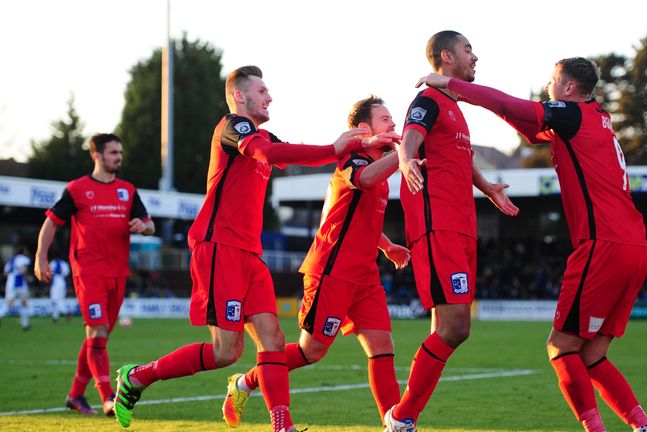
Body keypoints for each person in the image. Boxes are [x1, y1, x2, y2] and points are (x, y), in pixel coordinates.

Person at [112, 66, 399, 432]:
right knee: (225, 353)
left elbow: (287, 153)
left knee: (274, 340)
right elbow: (266, 152)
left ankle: (283, 425)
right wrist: (341, 147)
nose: (269, 97)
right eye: (262, 91)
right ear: (241, 96)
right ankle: (136, 377)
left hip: (250, 253)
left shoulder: (264, 136)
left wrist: (353, 144)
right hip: (218, 247)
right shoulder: (233, 127)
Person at [417, 57, 647, 432]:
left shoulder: (569, 114)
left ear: (567, 89)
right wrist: (493, 106)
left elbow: (510, 105)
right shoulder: (593, 118)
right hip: (634, 246)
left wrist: (453, 87)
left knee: (560, 348)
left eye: (551, 82)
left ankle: (595, 430)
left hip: (602, 245)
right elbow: (530, 129)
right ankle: (644, 427)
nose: (547, 88)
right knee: (592, 355)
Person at [221, 95, 410, 429]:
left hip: (364, 275)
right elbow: (363, 180)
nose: (393, 124)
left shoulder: (380, 166)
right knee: (312, 352)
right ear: (364, 128)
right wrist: (403, 153)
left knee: (382, 344)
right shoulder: (352, 159)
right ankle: (245, 382)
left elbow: (350, 216)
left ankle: (394, 423)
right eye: (386, 119)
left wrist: (386, 245)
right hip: (331, 272)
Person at [384, 30, 519, 432]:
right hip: (436, 224)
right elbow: (411, 138)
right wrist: (406, 159)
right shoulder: (428, 99)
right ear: (446, 57)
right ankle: (401, 415)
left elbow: (459, 156)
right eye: (467, 50)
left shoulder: (456, 107)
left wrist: (488, 186)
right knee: (457, 328)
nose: (474, 56)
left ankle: (404, 417)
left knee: (448, 328)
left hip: (462, 227)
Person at [34, 133, 156, 416]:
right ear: (97, 155)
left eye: (120, 152)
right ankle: (109, 398)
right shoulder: (78, 189)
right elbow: (51, 223)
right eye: (114, 152)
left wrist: (143, 226)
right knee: (97, 332)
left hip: (118, 273)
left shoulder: (127, 190)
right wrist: (41, 257)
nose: (119, 158)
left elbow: (150, 225)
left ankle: (75, 396)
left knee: (97, 338)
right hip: (88, 271)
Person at [2, 244, 32, 330]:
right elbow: (23, 269)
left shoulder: (11, 260)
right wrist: (28, 277)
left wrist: (13, 273)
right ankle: (25, 325)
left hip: (10, 282)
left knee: (9, 304)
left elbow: (5, 272)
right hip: (19, 282)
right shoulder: (22, 259)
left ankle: (1, 314)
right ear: (23, 252)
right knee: (24, 303)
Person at [49, 251, 72, 323]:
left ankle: (66, 311)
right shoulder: (64, 263)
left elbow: (50, 273)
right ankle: (55, 318)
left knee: (55, 300)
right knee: (61, 299)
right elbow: (67, 273)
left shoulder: (52, 263)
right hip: (62, 282)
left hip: (56, 282)